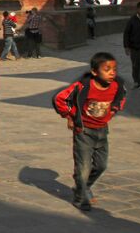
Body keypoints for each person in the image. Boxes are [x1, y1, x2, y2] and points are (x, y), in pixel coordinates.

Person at [53, 52, 126, 211]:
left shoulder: (116, 85)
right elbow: (60, 99)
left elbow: (121, 98)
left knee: (101, 165)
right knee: (83, 168)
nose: (112, 72)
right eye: (107, 69)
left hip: (102, 131)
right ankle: (80, 198)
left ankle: (84, 186)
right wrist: (69, 116)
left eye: (114, 69)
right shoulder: (83, 86)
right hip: (83, 131)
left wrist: (113, 111)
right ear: (94, 72)